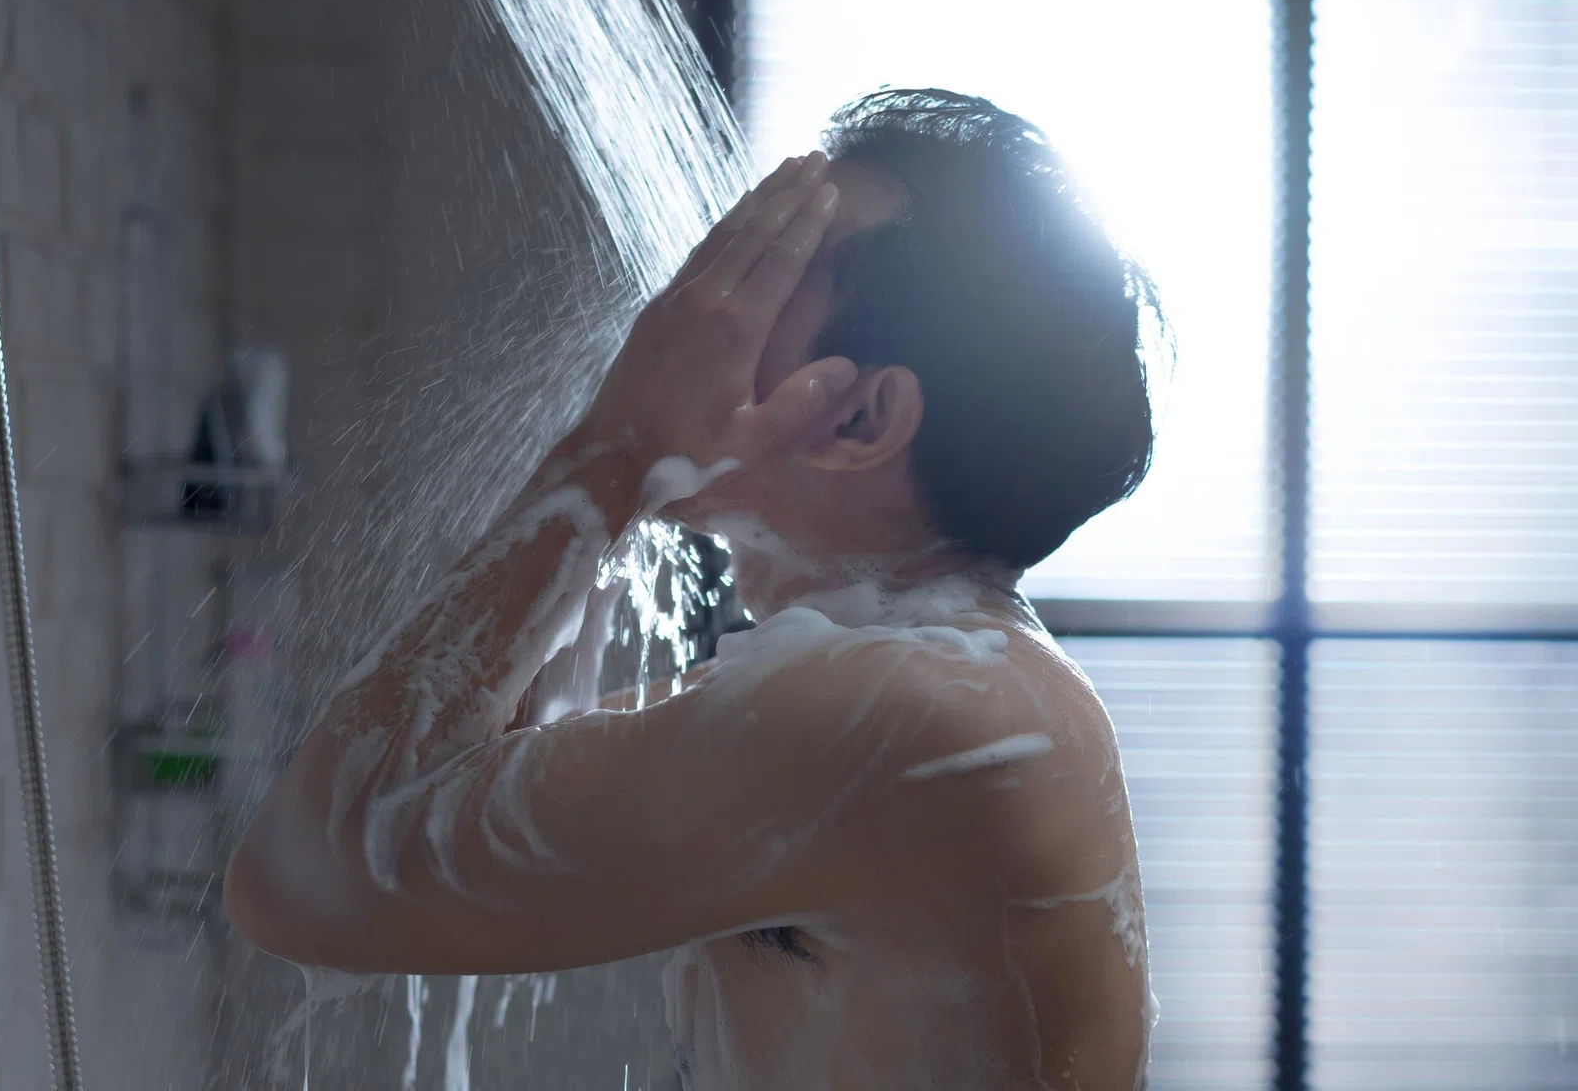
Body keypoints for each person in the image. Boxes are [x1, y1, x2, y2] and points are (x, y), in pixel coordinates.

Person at [225, 90, 1162, 1089]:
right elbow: (452, 779)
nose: (695, 307)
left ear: (859, 420)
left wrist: (620, 445)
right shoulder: (936, 681)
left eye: (771, 266)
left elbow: (302, 879)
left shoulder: (911, 710)